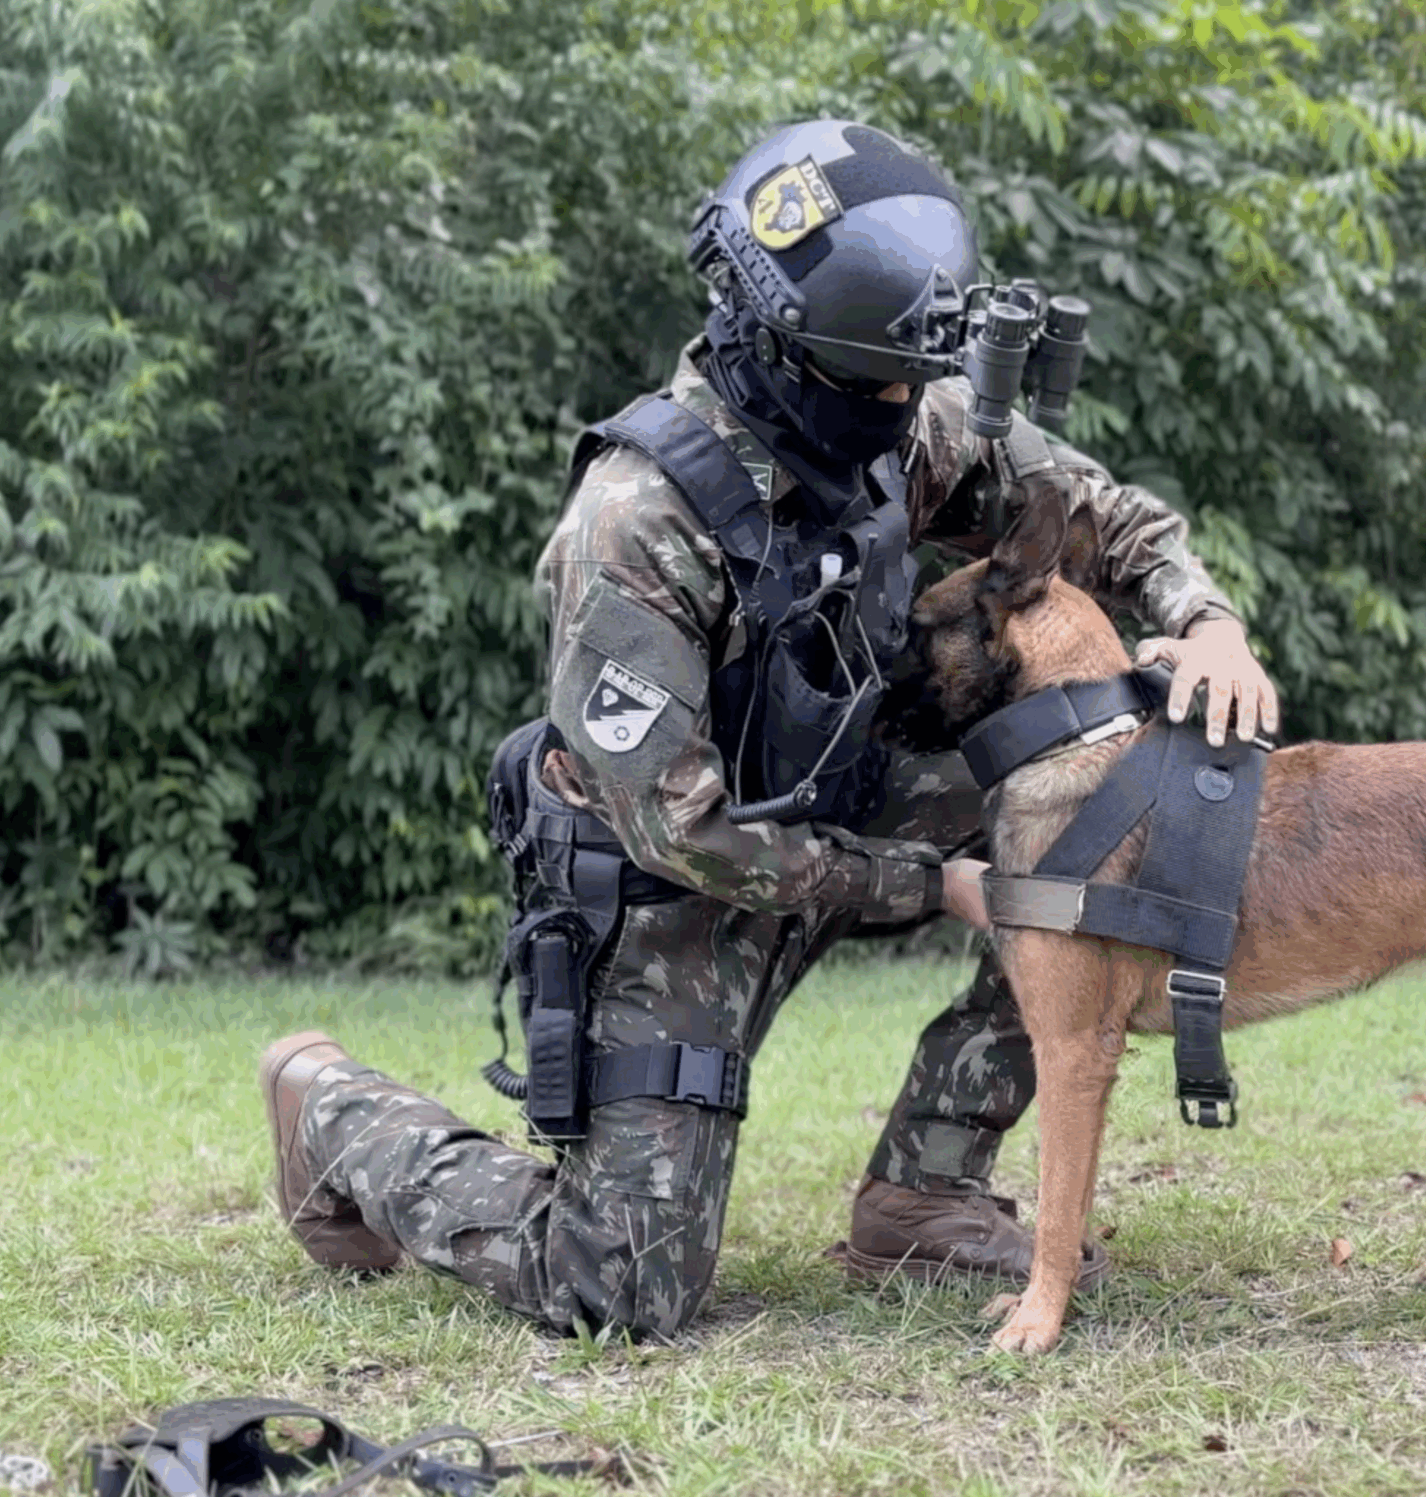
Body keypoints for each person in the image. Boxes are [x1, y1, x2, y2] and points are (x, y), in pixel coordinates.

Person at [257, 119, 1279, 1338]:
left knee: (1101, 814)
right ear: (789, 354)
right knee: (621, 1284)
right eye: (881, 382)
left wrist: (1206, 623)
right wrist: (930, 883)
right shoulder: (637, 523)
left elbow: (1100, 515)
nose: (910, 403)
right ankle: (329, 1108)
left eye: (915, 377)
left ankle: (925, 1189)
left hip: (844, 793)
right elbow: (681, 827)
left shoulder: (904, 423)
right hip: (676, 879)